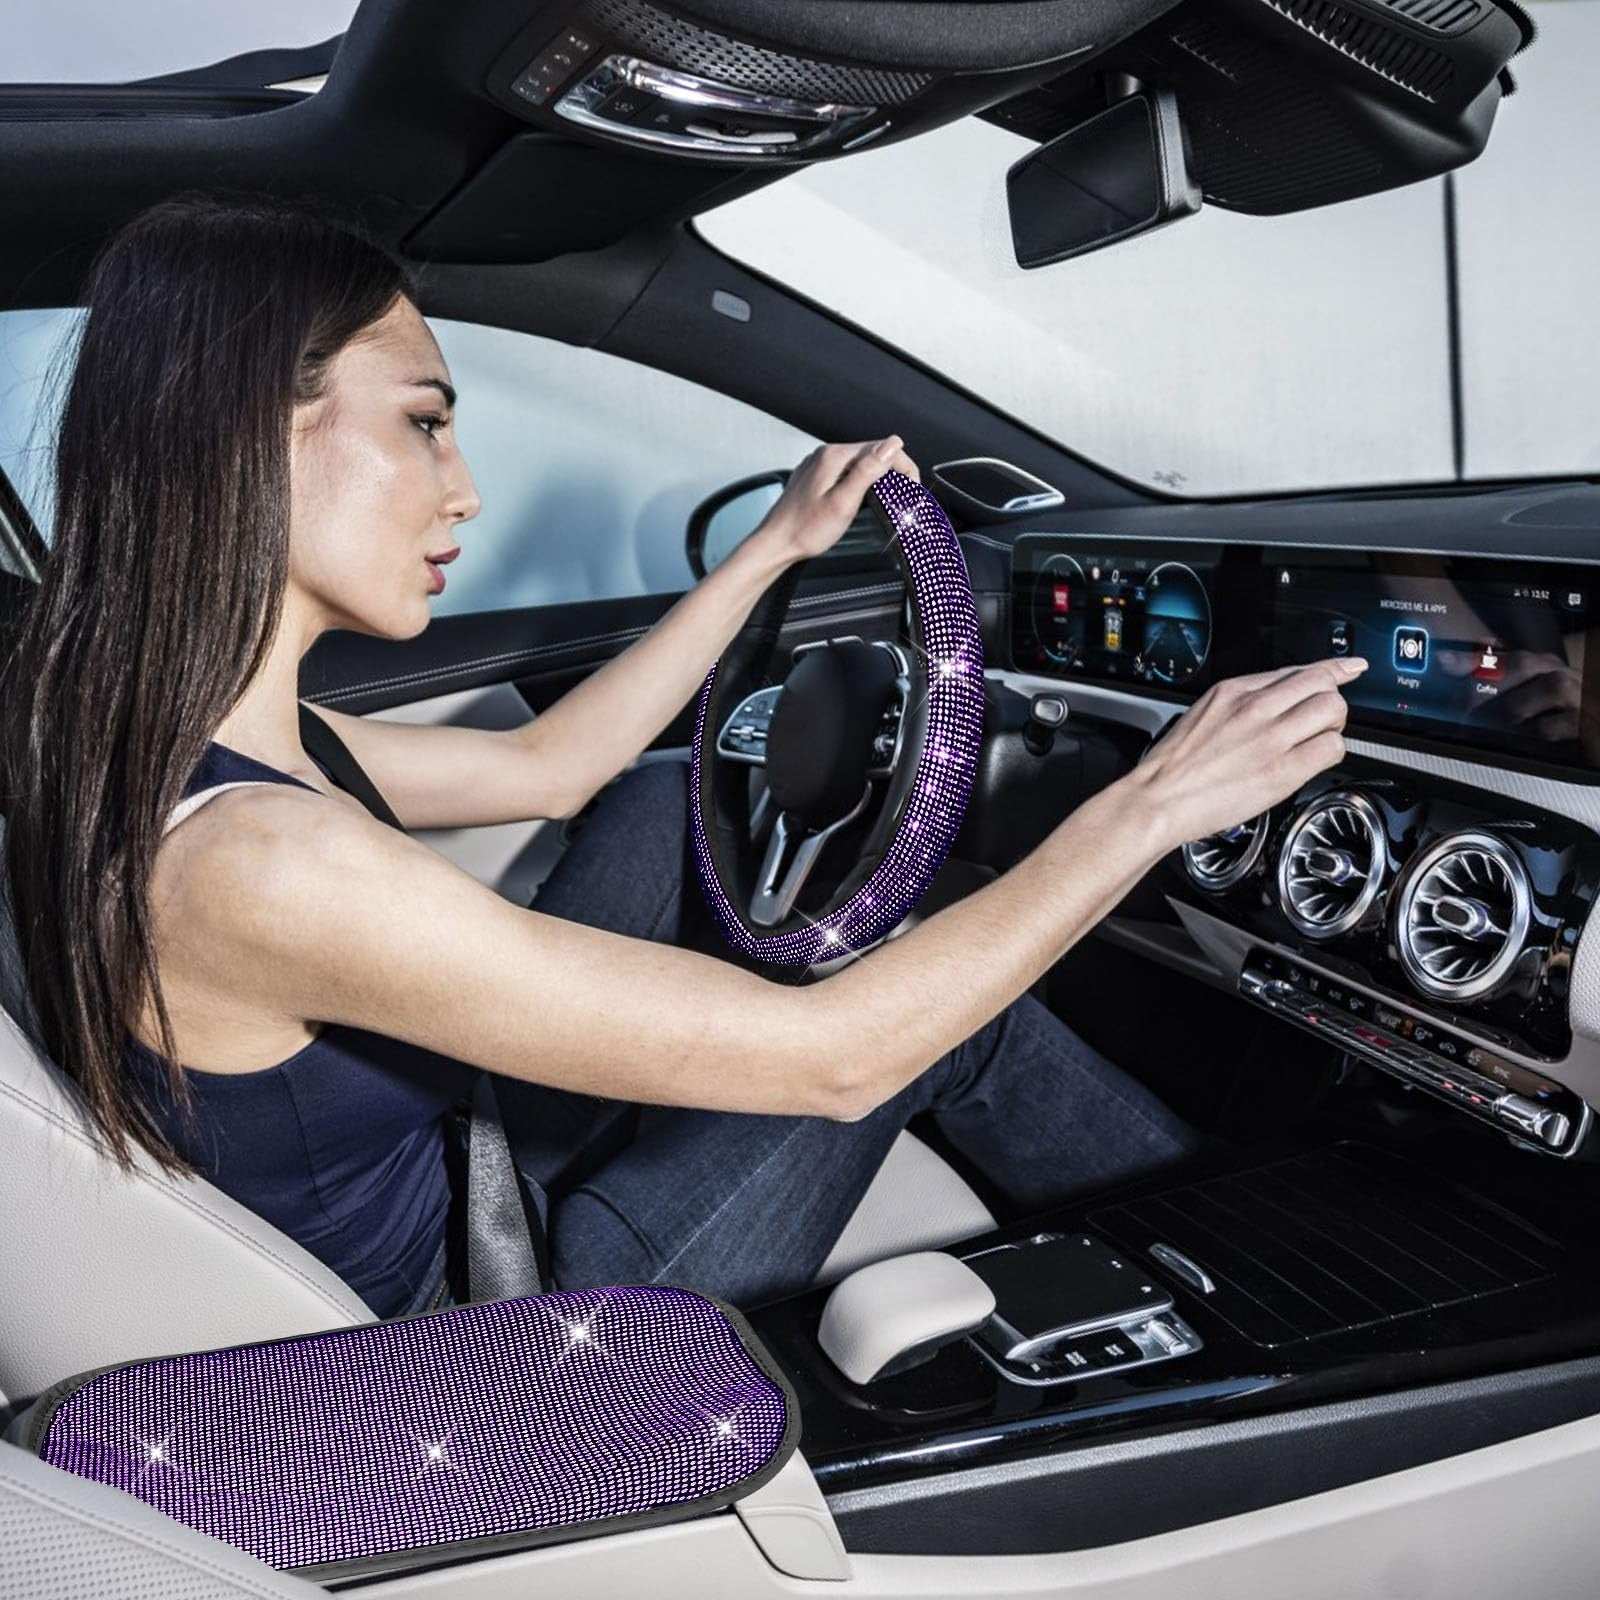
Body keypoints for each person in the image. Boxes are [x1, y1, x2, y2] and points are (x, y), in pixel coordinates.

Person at [0, 192, 1368, 1320]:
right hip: (505, 1329)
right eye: (424, 420)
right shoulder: (260, 869)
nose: (464, 487)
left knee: (663, 805)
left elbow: (551, 769)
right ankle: (1267, 1278)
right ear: (250, 430)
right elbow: (839, 1058)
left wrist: (772, 549)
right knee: (949, 1017)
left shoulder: (148, 736)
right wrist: (1150, 804)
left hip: (463, 1169)